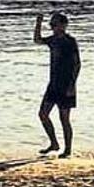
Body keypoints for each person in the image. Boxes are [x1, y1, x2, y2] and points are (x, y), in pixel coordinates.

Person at [34, 12, 80, 158]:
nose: (52, 27)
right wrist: (38, 23)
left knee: (64, 119)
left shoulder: (69, 41)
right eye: (51, 25)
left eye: (54, 24)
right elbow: (37, 40)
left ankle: (67, 150)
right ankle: (54, 143)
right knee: (43, 114)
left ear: (63, 25)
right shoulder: (53, 40)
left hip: (66, 85)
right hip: (53, 84)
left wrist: (72, 85)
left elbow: (77, 64)